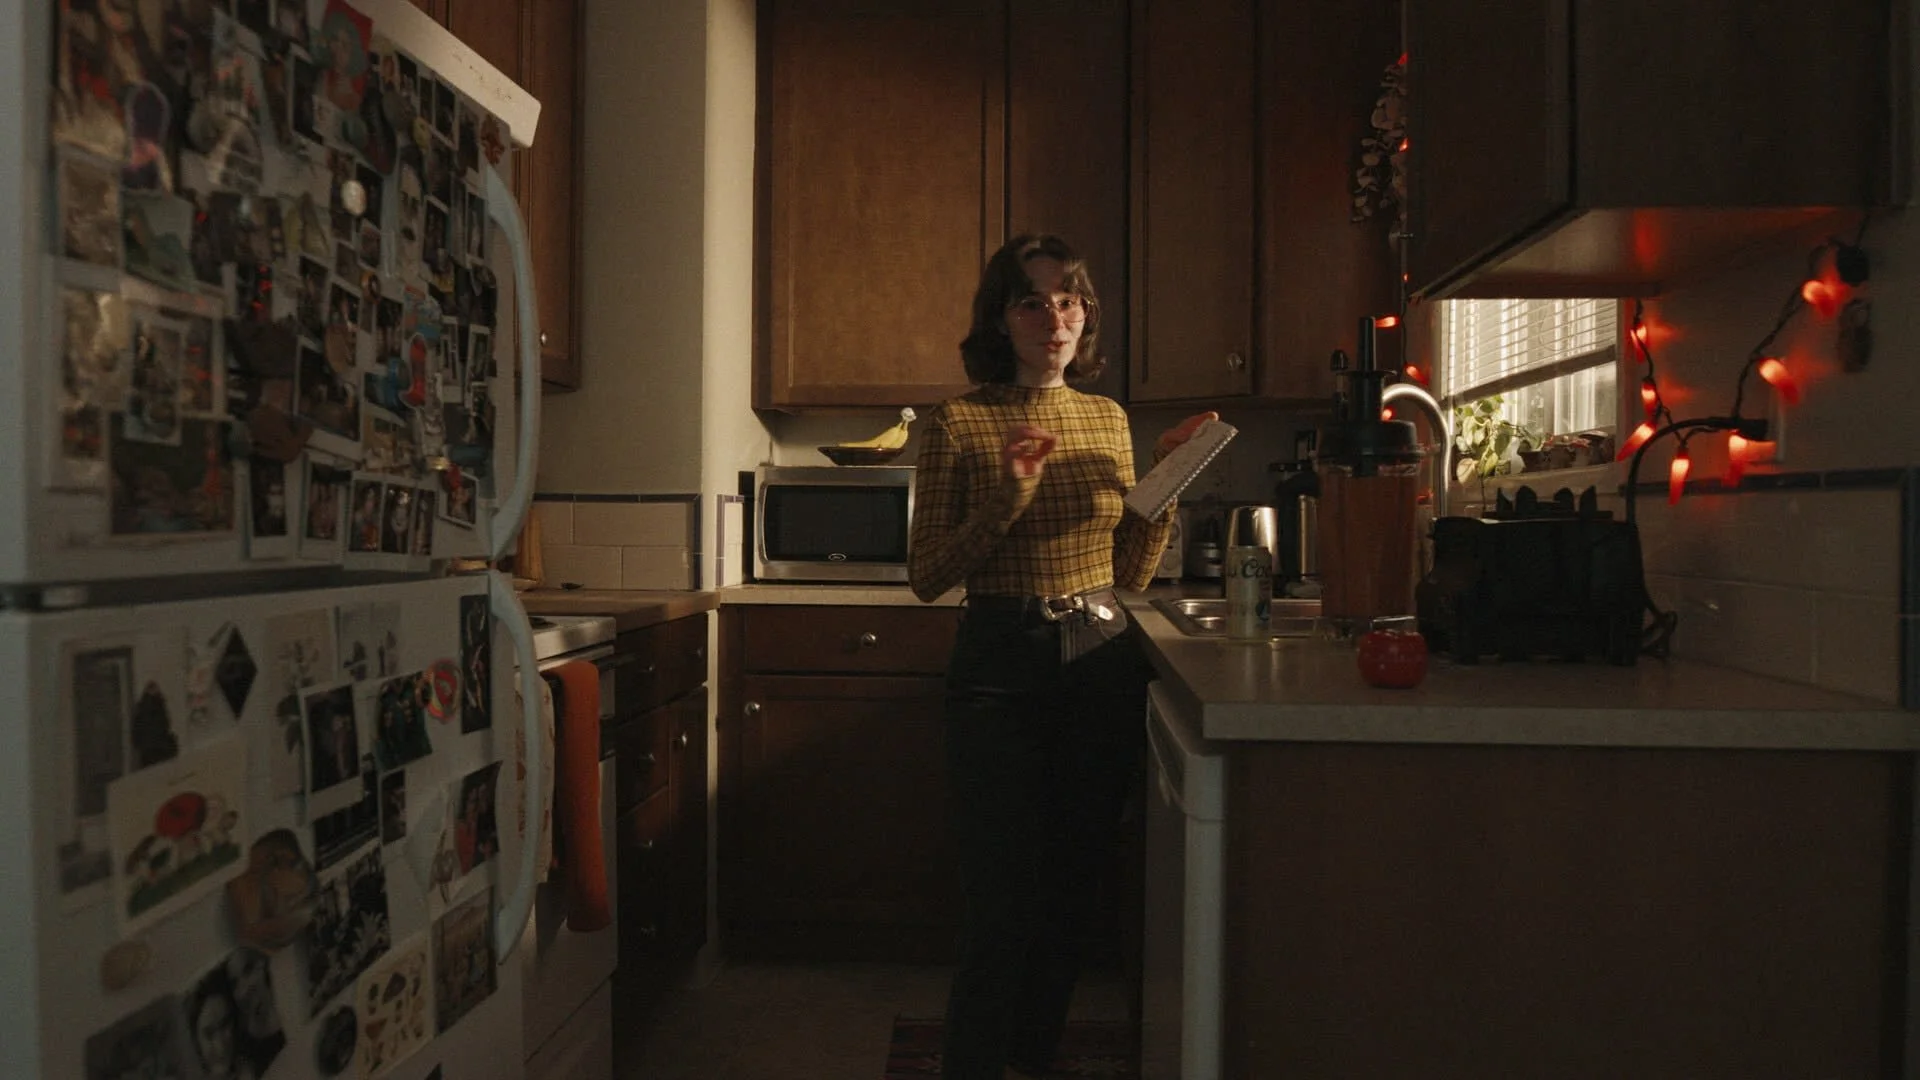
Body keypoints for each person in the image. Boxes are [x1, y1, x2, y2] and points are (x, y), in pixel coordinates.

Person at [908, 233, 1213, 1080]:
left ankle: (1032, 1062)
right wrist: (1007, 498)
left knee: (1073, 896)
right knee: (1001, 901)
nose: (1056, 318)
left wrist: (1166, 487)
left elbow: (1128, 570)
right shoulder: (960, 423)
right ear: (1000, 319)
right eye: (1033, 301)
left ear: (1088, 315)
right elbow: (928, 576)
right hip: (999, 666)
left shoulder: (1108, 418)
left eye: (1070, 299)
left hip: (1100, 656)